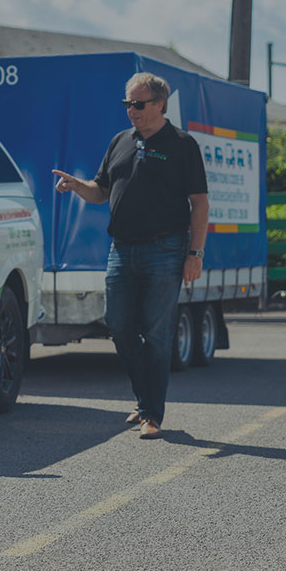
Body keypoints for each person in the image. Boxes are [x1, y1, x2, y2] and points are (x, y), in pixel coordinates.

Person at [51, 72, 208, 440]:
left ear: (159, 104)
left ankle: (152, 413)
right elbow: (101, 190)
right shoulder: (120, 141)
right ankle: (143, 400)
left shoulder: (182, 144)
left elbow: (199, 203)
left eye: (138, 104)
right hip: (121, 249)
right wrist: (77, 187)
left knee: (156, 333)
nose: (131, 111)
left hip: (167, 249)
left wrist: (195, 253)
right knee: (119, 326)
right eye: (127, 104)